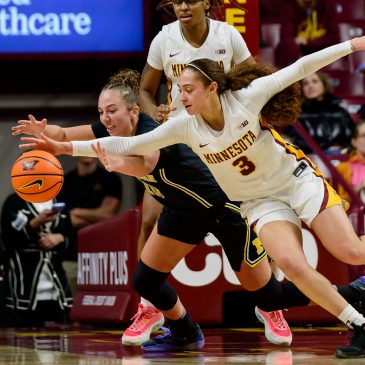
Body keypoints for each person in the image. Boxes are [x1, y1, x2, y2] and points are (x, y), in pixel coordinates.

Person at [19, 35, 365, 357]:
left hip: (256, 195)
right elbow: (116, 143)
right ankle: (187, 331)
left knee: (309, 272)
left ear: (211, 88)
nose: (180, 97)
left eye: (187, 89)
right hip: (226, 205)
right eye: (178, 90)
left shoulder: (227, 105)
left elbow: (301, 67)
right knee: (154, 277)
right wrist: (61, 144)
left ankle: (351, 292)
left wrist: (352, 45)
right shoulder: (181, 124)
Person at [14, 70, 295, 348]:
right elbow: (62, 133)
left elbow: (146, 163)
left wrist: (118, 164)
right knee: (146, 279)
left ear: (134, 111)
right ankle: (185, 330)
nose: (105, 118)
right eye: (101, 112)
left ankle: (277, 307)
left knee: (263, 291)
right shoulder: (110, 129)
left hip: (221, 209)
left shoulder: (153, 131)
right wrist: (42, 131)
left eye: (112, 110)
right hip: (180, 211)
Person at [137, 0, 257, 341]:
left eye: (190, 0)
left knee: (256, 216)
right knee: (148, 218)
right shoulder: (164, 39)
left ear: (207, 3)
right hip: (179, 139)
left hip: (222, 139)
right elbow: (146, 90)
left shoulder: (228, 36)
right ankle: (148, 305)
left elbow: (251, 79)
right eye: (177, 1)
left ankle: (270, 303)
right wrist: (153, 114)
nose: (183, 6)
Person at [0, 192, 73, 327]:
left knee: (61, 336)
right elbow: (7, 239)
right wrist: (35, 223)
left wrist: (59, 238)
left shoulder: (60, 199)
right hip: (23, 285)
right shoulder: (15, 201)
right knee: (22, 336)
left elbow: (72, 238)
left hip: (56, 287)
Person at [58, 156, 122, 296]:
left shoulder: (110, 178)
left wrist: (77, 211)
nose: (88, 151)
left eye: (91, 144)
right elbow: (64, 220)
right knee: (70, 308)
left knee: (100, 305)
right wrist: (95, 219)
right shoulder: (65, 181)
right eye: (83, 144)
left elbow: (107, 214)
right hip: (71, 255)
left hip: (102, 258)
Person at [284, 71, 354, 155]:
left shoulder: (340, 112)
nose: (310, 86)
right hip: (311, 159)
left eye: (315, 81)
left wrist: (341, 148)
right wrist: (324, 147)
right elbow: (294, 140)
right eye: (306, 83)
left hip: (342, 156)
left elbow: (352, 137)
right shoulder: (297, 114)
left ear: (324, 85)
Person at [275, 0, 339, 67]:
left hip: (324, 61)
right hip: (297, 61)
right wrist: (301, 67)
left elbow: (334, 39)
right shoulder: (289, 7)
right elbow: (286, 41)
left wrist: (308, 42)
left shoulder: (327, 5)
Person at [336, 120, 365, 204]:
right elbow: (336, 204)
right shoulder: (343, 168)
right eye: (364, 135)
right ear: (354, 142)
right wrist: (359, 186)